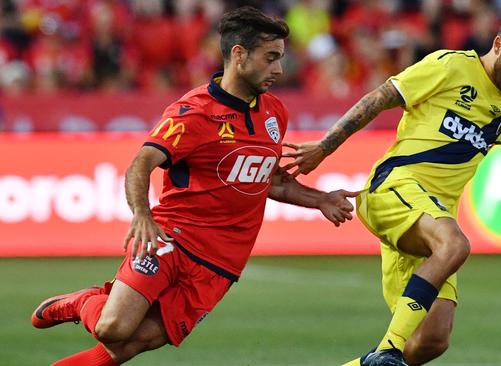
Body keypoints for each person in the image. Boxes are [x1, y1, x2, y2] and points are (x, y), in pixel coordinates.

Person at [283, 8, 501, 366]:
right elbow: (379, 98)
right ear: (499, 44)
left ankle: (371, 362)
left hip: (430, 220)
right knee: (455, 244)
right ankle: (388, 349)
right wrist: (324, 147)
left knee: (432, 339)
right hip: (393, 189)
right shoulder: (450, 66)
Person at [31, 7, 357, 365]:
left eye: (280, 58)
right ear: (238, 55)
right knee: (113, 329)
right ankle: (82, 302)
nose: (279, 69)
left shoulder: (274, 112)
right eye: (271, 58)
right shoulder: (194, 112)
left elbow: (268, 180)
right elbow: (141, 163)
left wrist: (321, 199)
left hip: (221, 265)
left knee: (132, 344)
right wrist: (142, 214)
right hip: (174, 239)